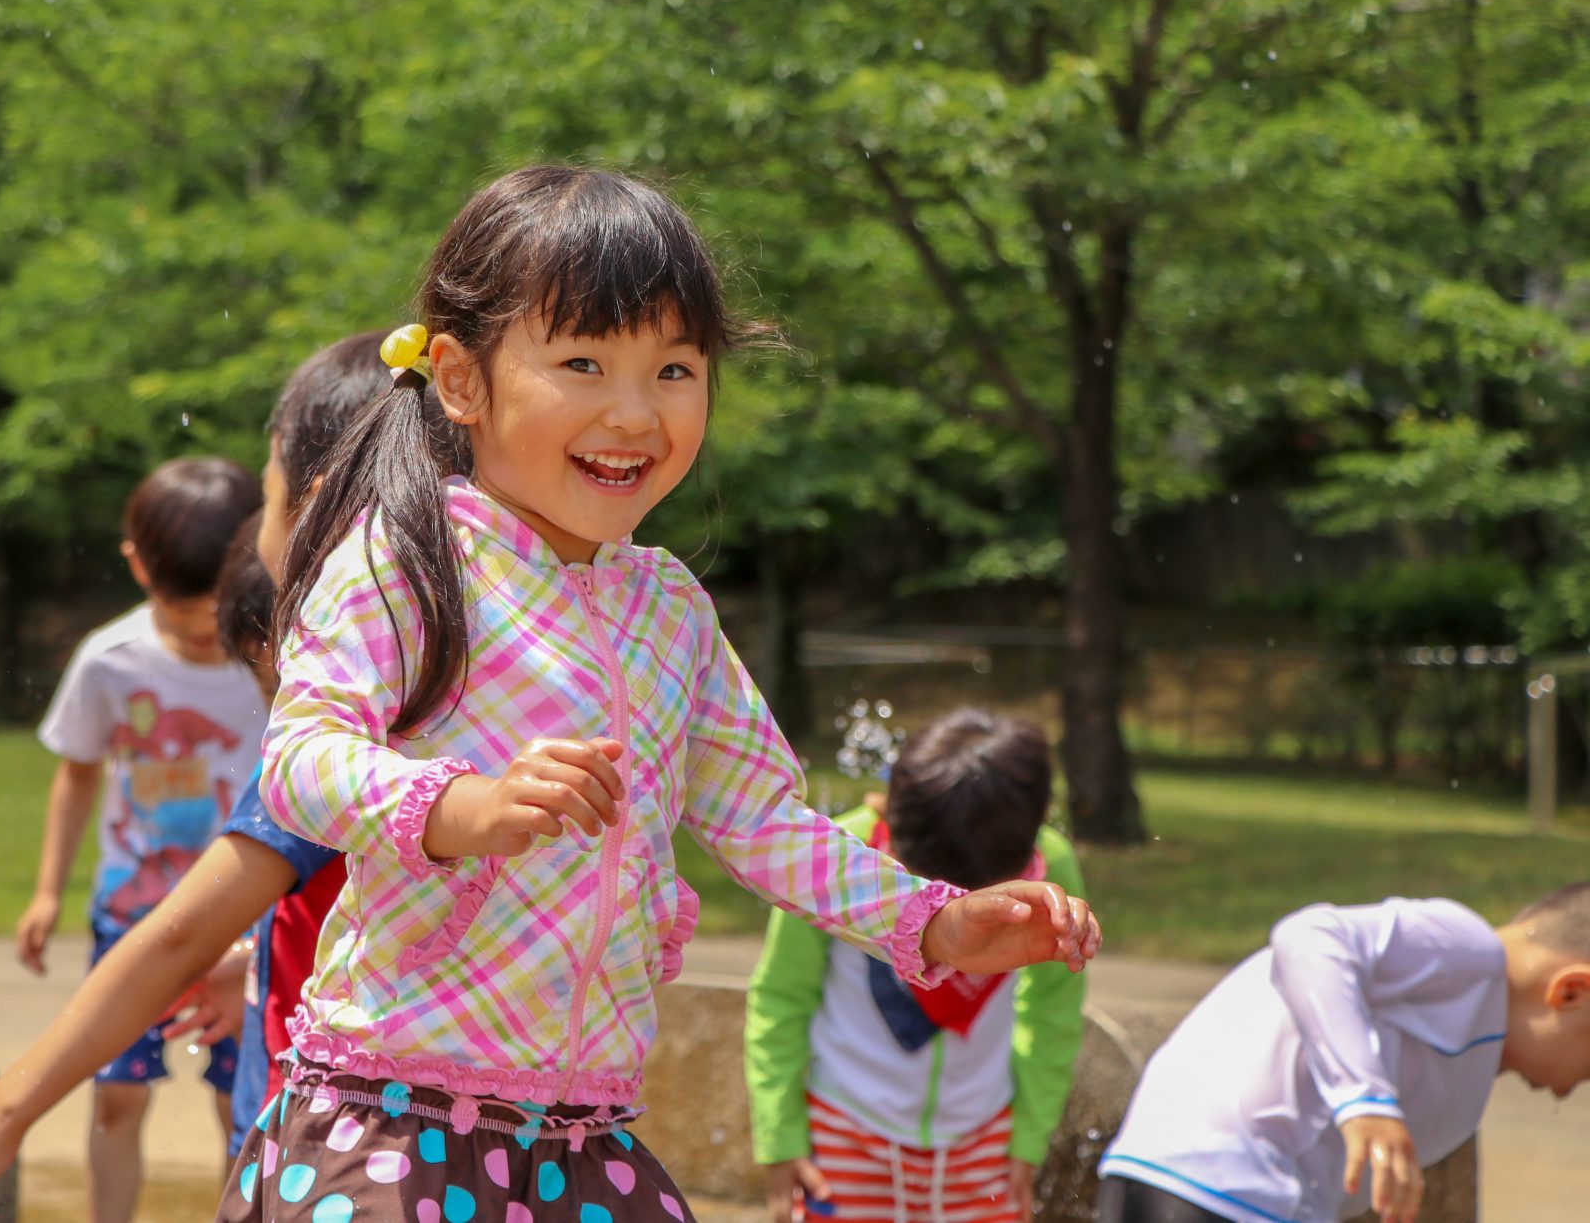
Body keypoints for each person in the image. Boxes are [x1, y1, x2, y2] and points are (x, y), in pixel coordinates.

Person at [235, 164, 1101, 1223]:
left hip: (579, 1138)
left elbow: (766, 822)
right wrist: (457, 806)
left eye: (675, 369)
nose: (635, 413)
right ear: (460, 380)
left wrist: (933, 924)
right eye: (583, 362)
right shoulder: (409, 561)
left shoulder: (669, 610)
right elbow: (299, 762)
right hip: (392, 1112)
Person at [0, 331, 456, 1223]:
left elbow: (172, 938)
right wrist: (252, 956)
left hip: (331, 1158)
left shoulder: (333, 745)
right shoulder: (484, 707)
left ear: (319, 512)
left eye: (268, 495)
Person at [15, 455, 269, 1223]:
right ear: (137, 565)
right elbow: (77, 774)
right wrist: (47, 889)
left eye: (216, 608)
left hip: (240, 917)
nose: (203, 629)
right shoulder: (110, 660)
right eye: (186, 611)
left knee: (240, 1097)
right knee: (117, 1093)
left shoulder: (272, 658)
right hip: (132, 915)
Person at [746, 709, 1087, 1223]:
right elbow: (781, 995)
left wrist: (1028, 1139)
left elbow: (1052, 1009)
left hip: (984, 1138)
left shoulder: (1049, 873)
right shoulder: (839, 854)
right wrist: (780, 1138)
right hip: (842, 1131)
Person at [1097, 884, 1590, 1223]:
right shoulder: (1472, 951)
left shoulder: (1476, 1031)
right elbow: (1309, 936)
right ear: (1571, 992)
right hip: (1216, 1181)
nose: (1570, 1090)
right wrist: (1365, 1100)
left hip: (1202, 1182)